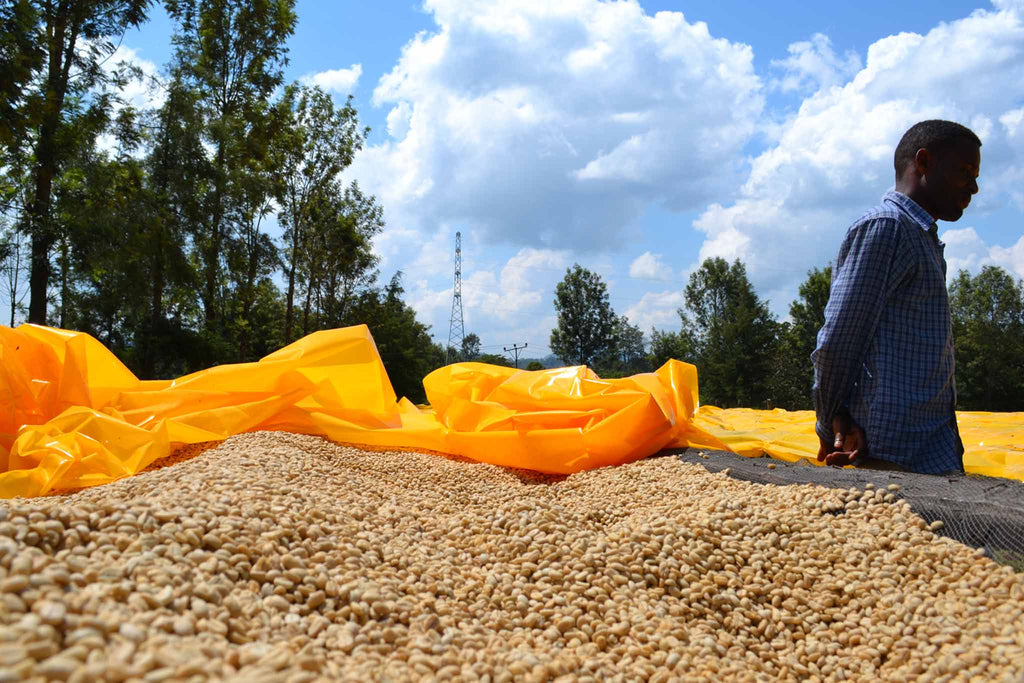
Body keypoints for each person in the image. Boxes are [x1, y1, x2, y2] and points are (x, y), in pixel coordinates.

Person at [812, 120, 981, 474]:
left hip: (930, 446)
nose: (973, 187)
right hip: (892, 452)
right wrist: (829, 424)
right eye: (964, 172)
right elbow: (840, 340)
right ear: (923, 163)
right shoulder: (888, 227)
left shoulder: (922, 236)